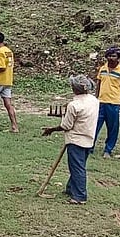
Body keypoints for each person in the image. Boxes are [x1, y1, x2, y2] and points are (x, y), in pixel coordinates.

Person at [42, 76, 99, 205]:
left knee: (77, 168)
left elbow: (66, 126)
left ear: (74, 89)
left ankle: (79, 197)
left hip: (76, 140)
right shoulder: (94, 100)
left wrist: (51, 129)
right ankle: (70, 189)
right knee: (79, 165)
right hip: (89, 138)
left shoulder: (74, 105)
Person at [94, 46, 120, 158]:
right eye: (109, 56)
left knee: (113, 128)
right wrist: (95, 98)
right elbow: (98, 84)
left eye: (114, 56)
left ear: (118, 58)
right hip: (101, 102)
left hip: (114, 103)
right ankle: (89, 147)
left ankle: (108, 150)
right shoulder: (102, 69)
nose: (111, 58)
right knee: (95, 126)